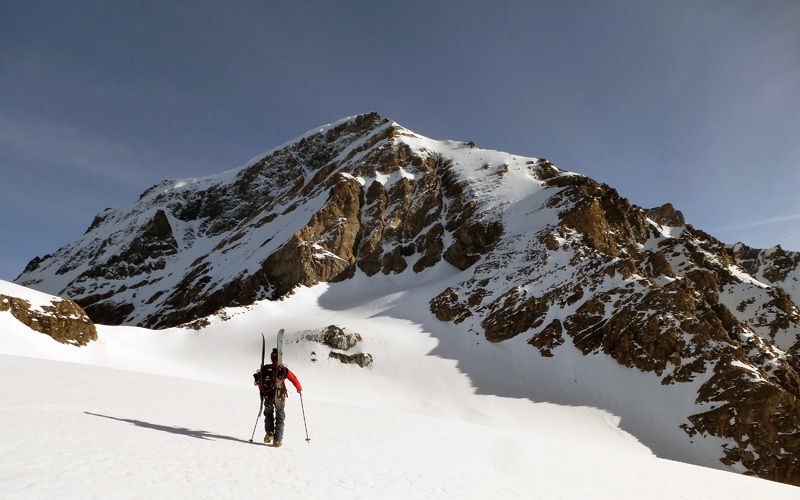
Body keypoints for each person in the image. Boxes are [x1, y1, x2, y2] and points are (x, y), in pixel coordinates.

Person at [253, 348, 302, 447]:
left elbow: (260, 384)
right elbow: (294, 379)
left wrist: (263, 393)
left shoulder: (265, 368)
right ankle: (278, 440)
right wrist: (299, 388)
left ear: (271, 357)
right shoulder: (283, 369)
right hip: (280, 397)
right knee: (280, 417)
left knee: (268, 415)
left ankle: (269, 433)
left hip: (267, 396)